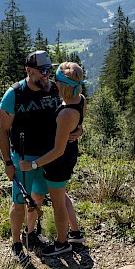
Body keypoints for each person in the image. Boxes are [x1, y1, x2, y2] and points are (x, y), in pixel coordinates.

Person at [0, 51, 83, 264]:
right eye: (43, 71)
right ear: (29, 70)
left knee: (36, 198)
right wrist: (8, 162)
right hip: (23, 158)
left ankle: (31, 233)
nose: (47, 76)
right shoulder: (14, 94)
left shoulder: (55, 89)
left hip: (50, 157)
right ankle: (17, 243)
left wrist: (79, 129)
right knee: (19, 202)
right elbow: (2, 130)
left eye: (49, 71)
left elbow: (73, 109)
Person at [19, 61, 87, 256]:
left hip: (60, 160)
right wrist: (78, 130)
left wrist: (33, 164)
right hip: (70, 153)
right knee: (61, 194)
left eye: (56, 80)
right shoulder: (80, 99)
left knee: (58, 204)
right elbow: (79, 123)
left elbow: (58, 150)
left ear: (62, 84)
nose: (52, 82)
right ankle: (74, 233)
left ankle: (62, 243)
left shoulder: (66, 113)